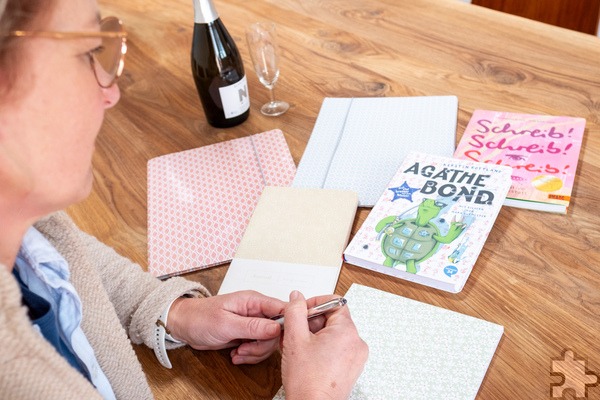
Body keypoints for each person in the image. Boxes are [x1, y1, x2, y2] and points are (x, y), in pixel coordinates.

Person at [0, 0, 368, 398]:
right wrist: (317, 393)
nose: (111, 94)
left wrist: (174, 311)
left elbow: (71, 259)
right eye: (91, 52)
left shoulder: (32, 229)